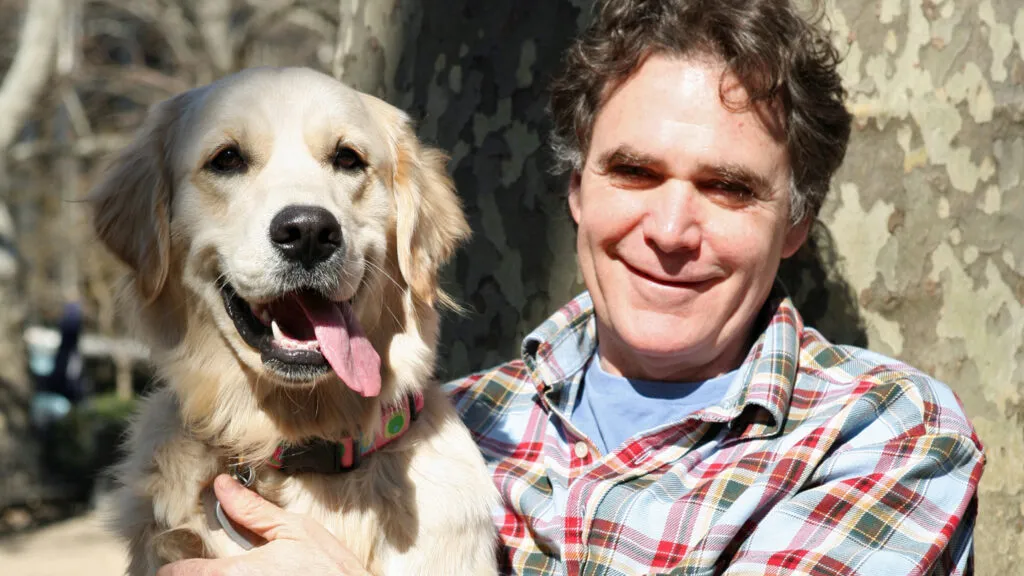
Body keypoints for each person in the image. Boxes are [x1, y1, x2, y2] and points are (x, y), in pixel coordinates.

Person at [160, 0, 984, 574]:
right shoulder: (449, 427)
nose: (669, 228)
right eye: (633, 170)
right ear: (576, 190)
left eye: (730, 187)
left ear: (795, 224)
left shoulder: (880, 432)